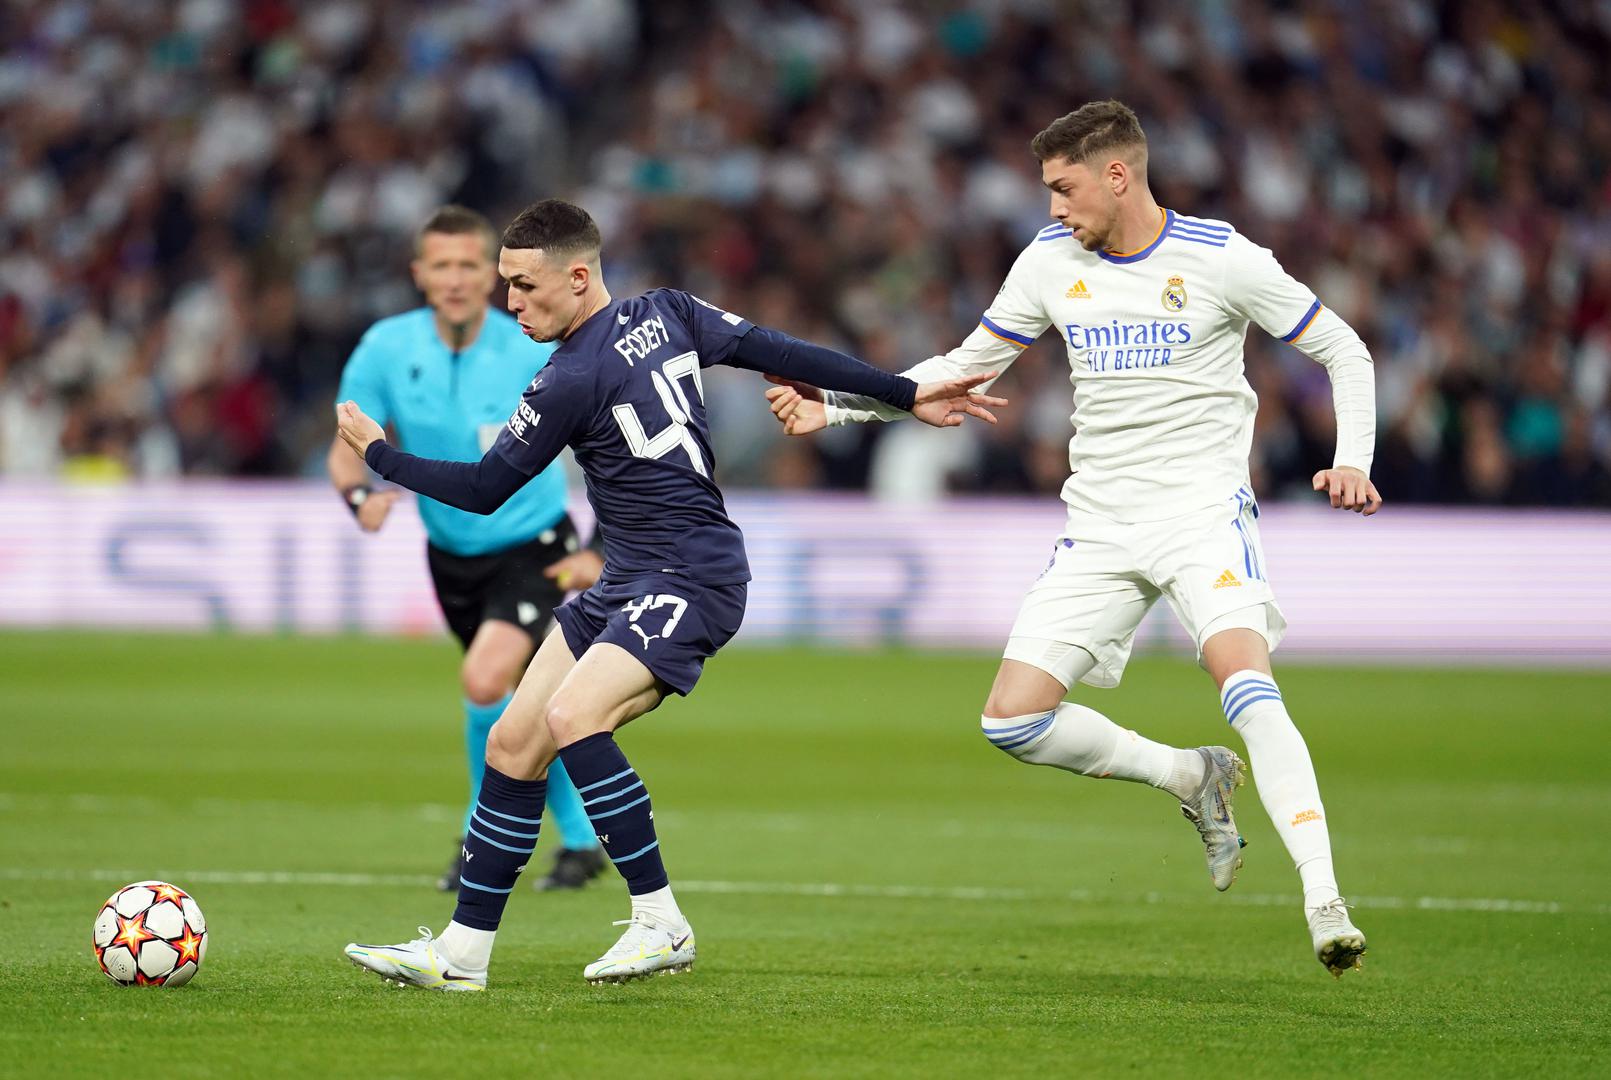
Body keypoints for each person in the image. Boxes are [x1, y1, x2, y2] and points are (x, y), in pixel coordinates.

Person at [764, 100, 1381, 978]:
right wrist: (834, 408)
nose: (1053, 208)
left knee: (1245, 683)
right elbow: (964, 367)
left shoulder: (1221, 258)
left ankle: (1323, 899)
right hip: (1098, 525)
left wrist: (1350, 459)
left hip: (1200, 515)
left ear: (1116, 175)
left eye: (1064, 188)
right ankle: (1188, 777)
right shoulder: (1049, 262)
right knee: (1011, 720)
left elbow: (1344, 350)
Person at [336, 198, 1004, 988]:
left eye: (523, 285)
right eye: (506, 285)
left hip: (690, 574)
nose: (510, 302)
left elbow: (484, 489)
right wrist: (901, 392)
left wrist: (380, 455)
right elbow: (775, 348)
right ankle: (461, 954)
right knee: (512, 744)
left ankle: (661, 923)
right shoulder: (670, 311)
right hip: (625, 578)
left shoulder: (565, 379)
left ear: (576, 277)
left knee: (571, 717)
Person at [327, 205, 608, 894]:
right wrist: (359, 497)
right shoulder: (386, 348)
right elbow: (347, 443)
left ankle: (481, 839)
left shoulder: (533, 347)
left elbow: (610, 442)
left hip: (535, 548)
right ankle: (580, 841)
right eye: (441, 266)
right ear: (419, 274)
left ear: (494, 276)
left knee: (485, 681)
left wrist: (599, 546)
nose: (454, 279)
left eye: (468, 265)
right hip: (450, 555)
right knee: (524, 704)